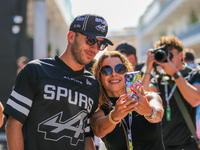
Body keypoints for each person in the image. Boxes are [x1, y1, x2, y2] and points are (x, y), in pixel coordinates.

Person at [3, 14, 113, 150]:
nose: (95, 48)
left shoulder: (93, 84)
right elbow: (13, 124)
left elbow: (85, 134)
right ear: (71, 37)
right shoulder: (36, 70)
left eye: (100, 44)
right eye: (90, 40)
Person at [90, 51, 165, 150]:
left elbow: (158, 115)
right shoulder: (98, 109)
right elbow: (99, 130)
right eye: (106, 70)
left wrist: (148, 111)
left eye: (120, 69)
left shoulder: (148, 98)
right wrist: (114, 116)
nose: (114, 74)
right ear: (99, 76)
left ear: (127, 72)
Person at [142, 35, 200, 150]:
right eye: (164, 54)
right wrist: (148, 69)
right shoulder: (159, 78)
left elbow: (195, 100)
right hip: (163, 144)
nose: (167, 58)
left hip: (188, 144)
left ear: (181, 55)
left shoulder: (193, 75)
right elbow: (143, 98)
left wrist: (175, 74)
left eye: (170, 54)